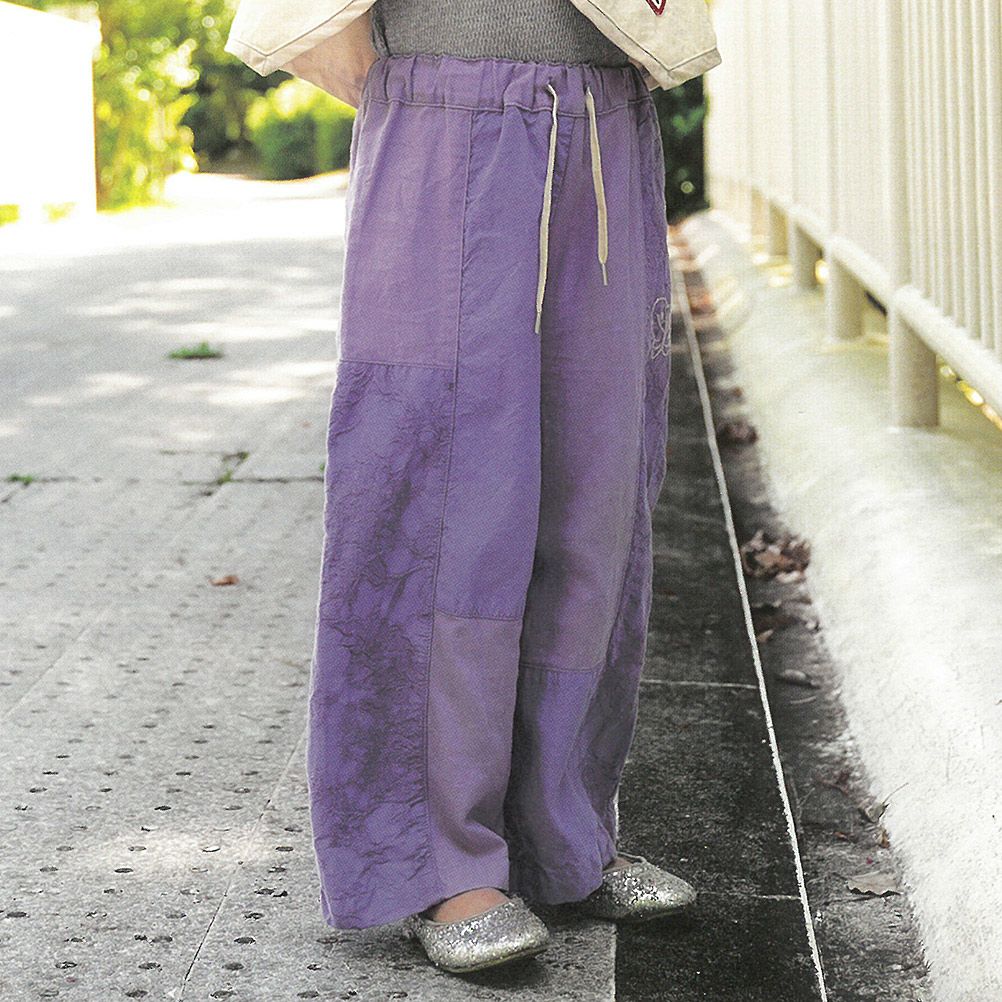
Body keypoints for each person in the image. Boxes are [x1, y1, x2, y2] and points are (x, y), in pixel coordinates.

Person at [225, 0, 721, 977]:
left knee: (595, 493)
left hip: (607, 109)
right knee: (442, 496)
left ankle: (565, 837)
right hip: (441, 102)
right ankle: (437, 861)